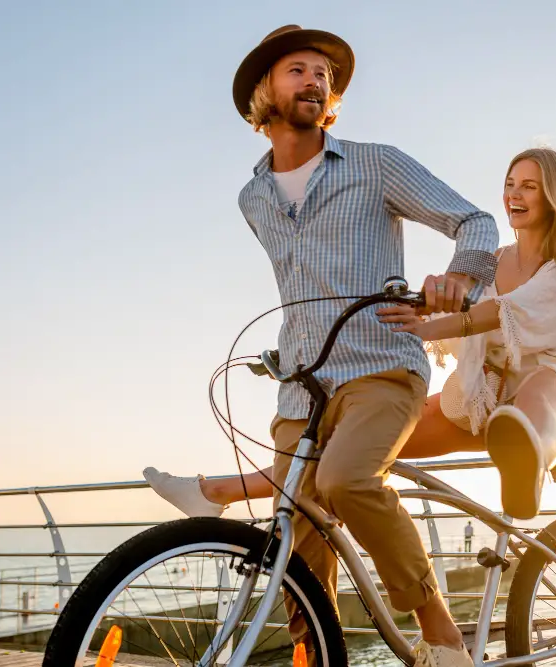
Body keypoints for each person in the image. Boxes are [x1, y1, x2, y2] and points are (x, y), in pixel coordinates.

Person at [163, 24, 500, 667]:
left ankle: (440, 633)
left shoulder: (375, 164)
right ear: (265, 94)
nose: (315, 80)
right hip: (303, 379)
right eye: (298, 70)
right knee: (300, 531)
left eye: (322, 73)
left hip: (381, 364)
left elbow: (473, 221)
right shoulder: (253, 199)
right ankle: (313, 655)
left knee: (346, 481)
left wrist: (463, 277)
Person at [147, 146, 556, 524]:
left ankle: (529, 459)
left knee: (538, 395)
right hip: (482, 396)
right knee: (333, 454)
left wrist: (430, 325)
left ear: (554, 196)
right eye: (510, 184)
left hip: (549, 384)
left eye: (529, 186)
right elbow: (462, 306)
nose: (514, 195)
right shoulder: (495, 258)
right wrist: (416, 310)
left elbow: (503, 312)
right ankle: (216, 492)